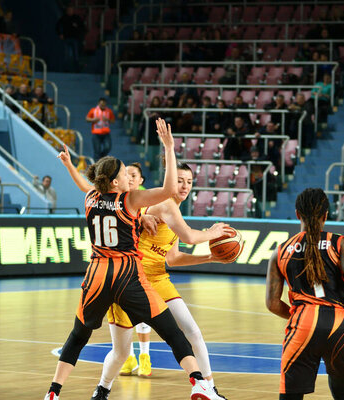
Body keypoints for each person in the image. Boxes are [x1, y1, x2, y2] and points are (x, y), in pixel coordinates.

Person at [43, 118, 220, 400]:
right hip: (127, 275)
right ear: (115, 182)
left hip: (97, 275)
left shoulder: (90, 198)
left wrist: (68, 165)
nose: (131, 177)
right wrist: (170, 147)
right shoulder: (130, 200)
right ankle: (199, 383)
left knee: (78, 336)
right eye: (126, 174)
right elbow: (167, 189)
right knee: (171, 332)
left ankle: (53, 393)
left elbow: (84, 185)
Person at [266, 188, 344, 400]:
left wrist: (300, 317)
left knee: (291, 397)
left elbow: (272, 303)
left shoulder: (280, 251)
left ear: (297, 214)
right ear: (326, 214)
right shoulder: (340, 243)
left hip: (303, 324)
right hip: (341, 325)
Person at [55, 6, 85, 72]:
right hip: (66, 39)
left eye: (71, 10)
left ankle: (77, 70)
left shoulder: (77, 18)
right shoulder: (64, 18)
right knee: (66, 55)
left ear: (73, 10)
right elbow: (57, 26)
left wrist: (78, 30)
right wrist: (60, 34)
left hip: (75, 39)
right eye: (68, 10)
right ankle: (66, 70)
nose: (69, 11)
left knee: (76, 56)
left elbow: (82, 27)